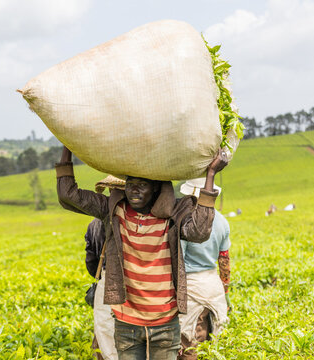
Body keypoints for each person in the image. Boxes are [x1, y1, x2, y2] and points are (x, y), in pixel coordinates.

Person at [56, 146, 227, 360]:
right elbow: (68, 195)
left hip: (165, 324)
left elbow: (200, 231)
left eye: (142, 185)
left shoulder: (172, 215)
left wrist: (210, 175)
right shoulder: (113, 211)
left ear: (155, 188)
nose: (134, 191)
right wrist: (68, 147)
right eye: (130, 185)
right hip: (126, 324)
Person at [177, 179, 231, 360]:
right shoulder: (223, 222)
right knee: (207, 336)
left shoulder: (187, 222)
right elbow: (224, 261)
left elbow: (180, 261)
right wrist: (225, 293)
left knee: (190, 341)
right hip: (212, 285)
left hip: (192, 287)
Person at [86, 175, 125, 360]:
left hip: (105, 279)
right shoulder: (134, 220)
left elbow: (91, 262)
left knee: (104, 334)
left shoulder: (95, 223)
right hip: (131, 281)